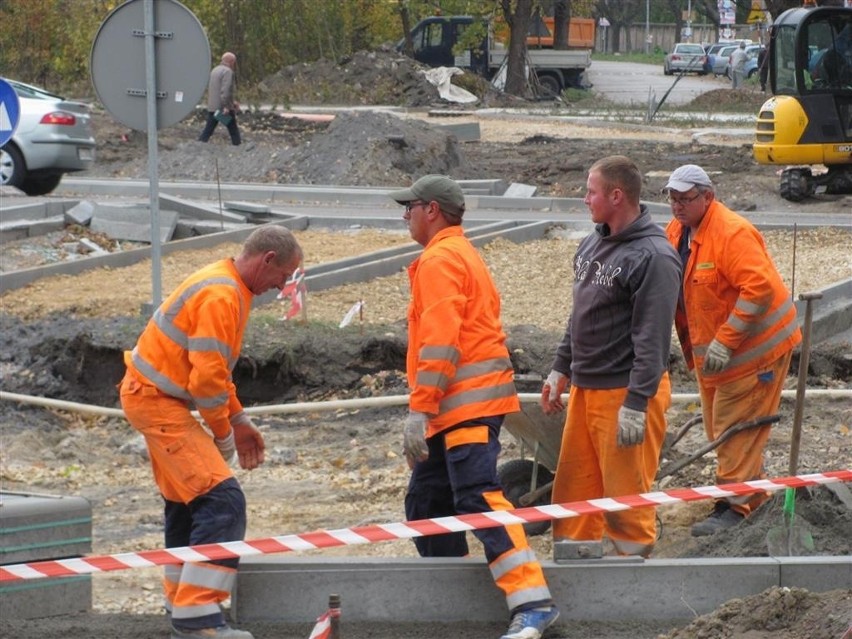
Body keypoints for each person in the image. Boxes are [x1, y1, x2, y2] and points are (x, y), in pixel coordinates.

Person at [389, 174, 559, 639]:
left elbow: (441, 342)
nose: (405, 215)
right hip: (453, 408)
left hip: (463, 407)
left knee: (477, 497)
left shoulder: (441, 258)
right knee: (428, 502)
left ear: (433, 211)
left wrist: (420, 410)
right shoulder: (454, 254)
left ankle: (532, 602)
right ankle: (455, 599)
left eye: (411, 206)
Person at [119, 226, 303, 639]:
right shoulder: (222, 296)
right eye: (284, 275)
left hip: (154, 398)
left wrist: (237, 420)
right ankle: (197, 618)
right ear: (267, 260)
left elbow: (214, 373)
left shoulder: (227, 285)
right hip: (157, 401)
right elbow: (205, 385)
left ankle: (182, 601)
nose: (283, 286)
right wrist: (223, 434)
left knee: (188, 501)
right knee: (222, 501)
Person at [540, 155, 681, 558]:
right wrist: (560, 369)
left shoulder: (654, 258)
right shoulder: (593, 243)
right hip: (587, 390)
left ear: (616, 196)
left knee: (625, 502)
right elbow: (580, 314)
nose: (585, 199)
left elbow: (653, 339)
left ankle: (629, 582)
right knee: (574, 493)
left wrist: (636, 404)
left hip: (625, 393)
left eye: (591, 191)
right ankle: (576, 566)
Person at [662, 164, 802, 537]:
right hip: (714, 358)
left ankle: (734, 508)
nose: (677, 206)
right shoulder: (678, 231)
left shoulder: (732, 233)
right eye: (672, 198)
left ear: (708, 196)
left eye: (686, 199)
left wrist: (726, 340)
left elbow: (759, 289)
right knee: (720, 428)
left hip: (755, 352)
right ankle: (749, 494)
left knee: (734, 428)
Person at [199, 52, 241, 146]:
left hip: (213, 107)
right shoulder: (227, 72)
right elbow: (225, 91)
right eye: (234, 62)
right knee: (233, 129)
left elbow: (216, 90)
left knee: (208, 130)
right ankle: (239, 148)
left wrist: (232, 102)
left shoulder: (215, 70)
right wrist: (227, 106)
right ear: (231, 61)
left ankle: (199, 145)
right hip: (222, 108)